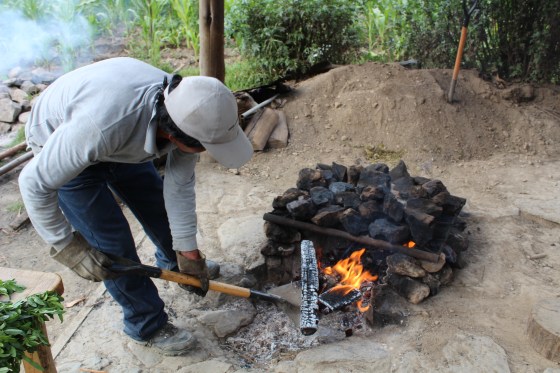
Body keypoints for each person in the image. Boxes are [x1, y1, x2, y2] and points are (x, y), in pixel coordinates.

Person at [18, 57, 253, 356]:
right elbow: (33, 183)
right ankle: (145, 323)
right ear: (174, 135)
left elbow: (178, 189)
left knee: (157, 208)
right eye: (203, 146)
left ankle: (177, 266)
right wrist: (66, 246)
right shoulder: (99, 127)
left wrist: (187, 252)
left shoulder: (191, 107)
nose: (205, 152)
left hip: (123, 136)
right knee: (111, 246)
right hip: (60, 137)